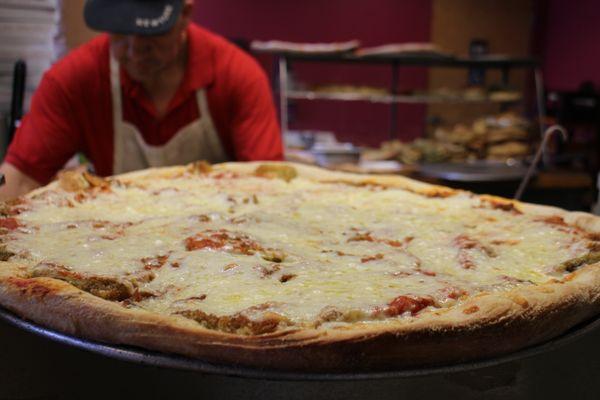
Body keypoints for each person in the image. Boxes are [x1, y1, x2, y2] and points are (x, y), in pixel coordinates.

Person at [0, 0, 283, 200]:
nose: (134, 52)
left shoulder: (237, 75)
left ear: (184, 14)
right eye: (120, 35)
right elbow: (21, 178)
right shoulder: (74, 80)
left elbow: (271, 187)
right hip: (112, 245)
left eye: (150, 35)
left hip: (221, 249)